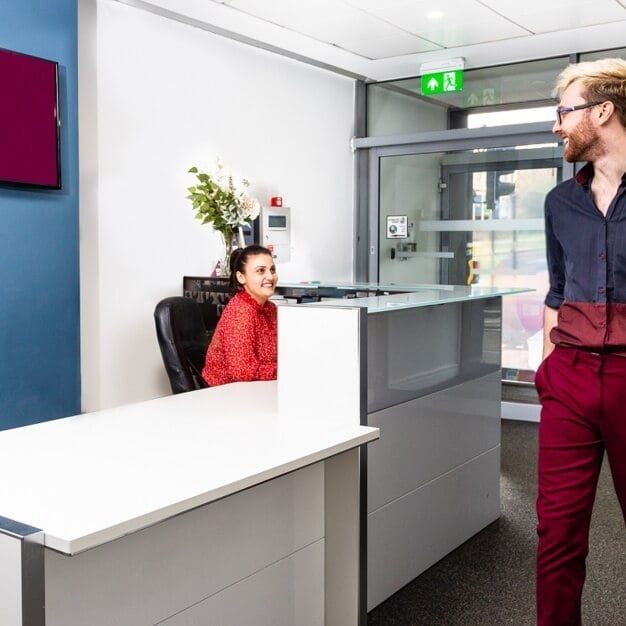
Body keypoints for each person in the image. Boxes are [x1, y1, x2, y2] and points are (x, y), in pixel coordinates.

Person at [535, 57, 626, 625]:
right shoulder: (558, 202)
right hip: (567, 378)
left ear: (603, 110)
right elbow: (558, 291)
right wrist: (548, 375)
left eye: (563, 112)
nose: (556, 125)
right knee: (556, 531)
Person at [202, 245, 278, 387]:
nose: (270, 276)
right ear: (241, 277)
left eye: (272, 270)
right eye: (261, 271)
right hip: (225, 394)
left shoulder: (270, 309)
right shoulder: (240, 313)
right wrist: (288, 369)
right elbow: (243, 372)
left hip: (258, 389)